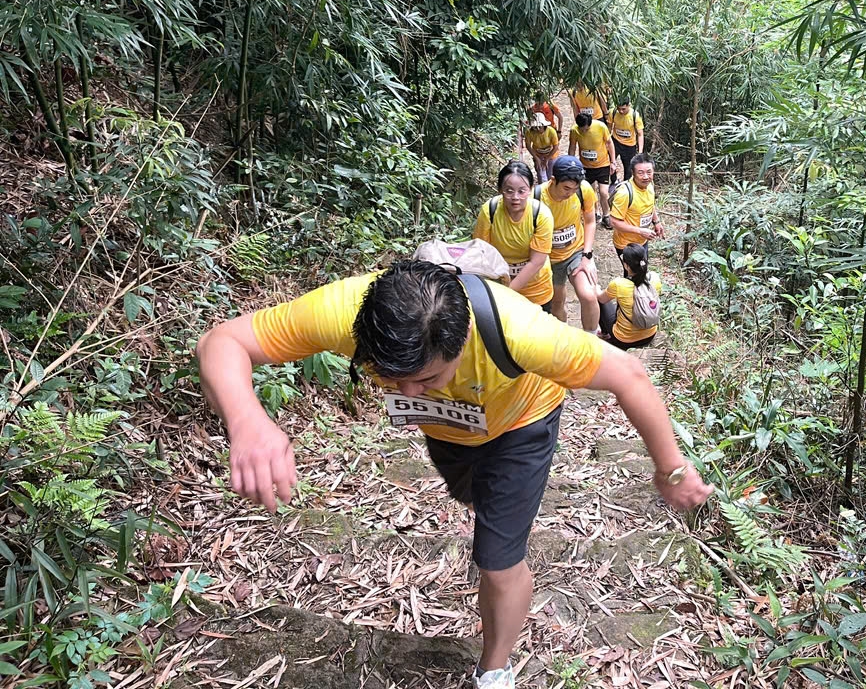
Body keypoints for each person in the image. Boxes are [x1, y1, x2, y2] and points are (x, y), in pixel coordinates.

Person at [195, 260, 712, 689]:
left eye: (426, 378)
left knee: (497, 557)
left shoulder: (518, 330)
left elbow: (631, 375)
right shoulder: (342, 311)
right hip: (450, 433)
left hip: (522, 424)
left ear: (462, 341)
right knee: (480, 506)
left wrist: (671, 470)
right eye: (389, 378)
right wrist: (248, 423)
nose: (406, 392)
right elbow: (221, 342)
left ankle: (494, 668)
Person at [473, 162, 554, 312]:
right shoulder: (489, 211)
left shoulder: (541, 215)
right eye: (509, 191)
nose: (515, 197)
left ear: (530, 190)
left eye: (521, 191)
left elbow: (537, 262)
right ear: (500, 190)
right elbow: (481, 252)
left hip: (536, 288)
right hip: (499, 285)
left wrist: (507, 292)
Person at [533, 156, 600, 331]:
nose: (570, 193)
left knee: (589, 295)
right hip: (548, 259)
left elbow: (590, 221)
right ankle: (564, 341)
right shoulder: (537, 197)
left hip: (575, 252)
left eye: (574, 188)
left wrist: (587, 255)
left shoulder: (584, 191)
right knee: (557, 302)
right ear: (553, 180)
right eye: (566, 188)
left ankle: (591, 342)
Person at [597, 243, 662, 349]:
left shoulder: (619, 284)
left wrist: (596, 288)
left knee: (599, 299)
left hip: (624, 340)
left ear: (626, 265)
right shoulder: (654, 278)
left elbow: (601, 299)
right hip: (650, 335)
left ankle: (605, 334)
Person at [610, 151, 664, 260]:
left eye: (649, 172)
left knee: (642, 272)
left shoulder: (650, 185)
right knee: (632, 275)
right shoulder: (624, 193)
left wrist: (656, 222)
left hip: (642, 240)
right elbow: (614, 221)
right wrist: (640, 231)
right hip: (626, 245)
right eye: (640, 173)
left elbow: (650, 205)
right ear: (633, 173)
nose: (645, 177)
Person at [567, 110, 615, 229]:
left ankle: (606, 215)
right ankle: (595, 212)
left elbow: (609, 143)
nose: (583, 131)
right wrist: (571, 163)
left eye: (586, 129)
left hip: (602, 164)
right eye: (581, 129)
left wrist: (613, 162)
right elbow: (572, 147)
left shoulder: (600, 127)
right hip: (586, 166)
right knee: (590, 191)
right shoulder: (574, 130)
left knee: (604, 192)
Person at [606, 101, 644, 182]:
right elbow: (608, 128)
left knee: (628, 168)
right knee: (610, 162)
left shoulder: (635, 116)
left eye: (623, 109)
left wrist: (640, 152)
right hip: (615, 141)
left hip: (629, 145)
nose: (621, 111)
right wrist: (606, 142)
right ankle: (613, 181)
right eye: (619, 109)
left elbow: (640, 134)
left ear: (628, 106)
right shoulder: (613, 112)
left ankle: (626, 185)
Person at [521, 113, 559, 183]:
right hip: (538, 154)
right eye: (534, 127)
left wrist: (547, 158)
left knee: (551, 174)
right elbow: (528, 145)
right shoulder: (529, 132)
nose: (537, 129)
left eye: (539, 127)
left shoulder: (551, 131)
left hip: (551, 154)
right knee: (541, 175)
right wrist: (536, 158)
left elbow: (555, 146)